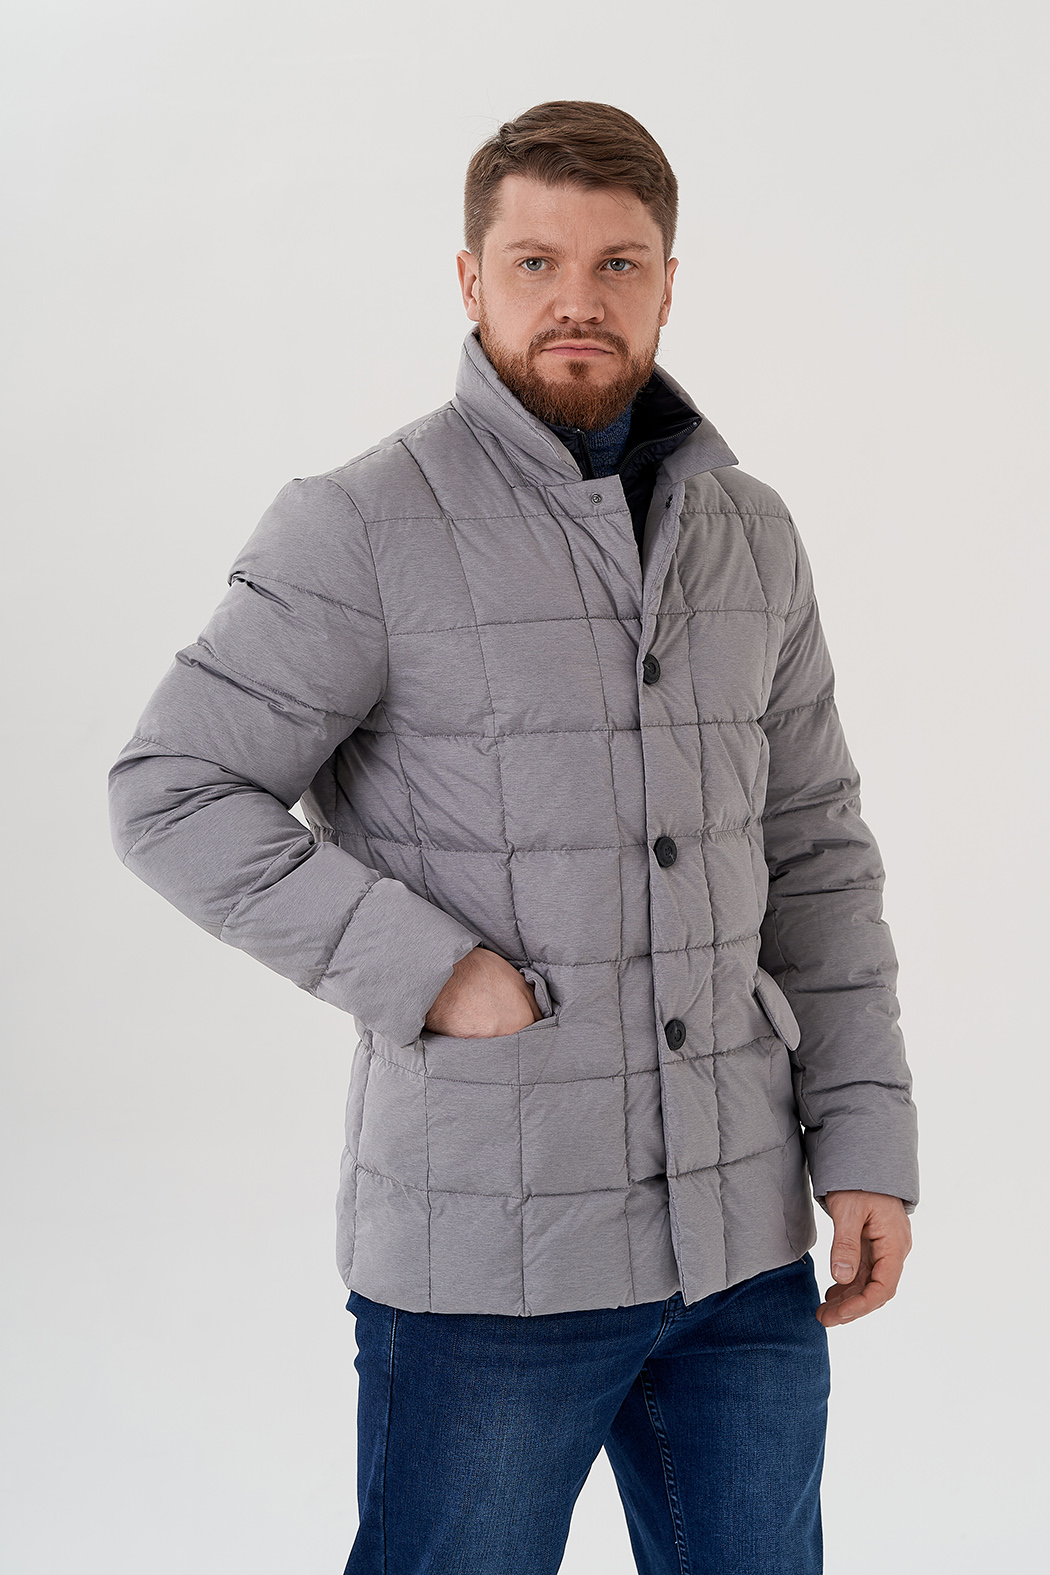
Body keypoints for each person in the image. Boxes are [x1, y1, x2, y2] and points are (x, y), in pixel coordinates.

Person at [109, 100, 919, 1575]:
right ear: (469, 279)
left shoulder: (750, 531)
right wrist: (430, 973)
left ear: (667, 283)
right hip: (488, 1262)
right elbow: (172, 789)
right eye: (535, 262)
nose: (576, 300)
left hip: (743, 1247)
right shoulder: (361, 524)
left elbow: (813, 850)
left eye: (618, 264)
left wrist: (864, 1145)